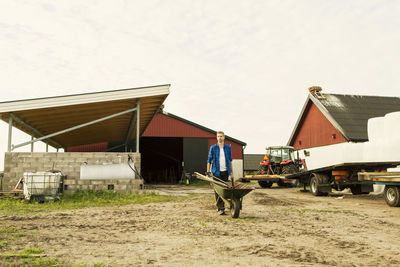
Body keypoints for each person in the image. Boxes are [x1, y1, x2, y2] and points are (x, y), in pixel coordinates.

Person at [206, 131, 234, 215]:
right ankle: (220, 208)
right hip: (216, 172)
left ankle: (222, 207)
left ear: (224, 137)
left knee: (224, 191)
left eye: (221, 136)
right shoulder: (213, 148)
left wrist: (232, 172)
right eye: (218, 136)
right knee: (218, 191)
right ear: (216, 137)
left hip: (225, 172)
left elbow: (230, 161)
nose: (220, 138)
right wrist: (208, 172)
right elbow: (209, 160)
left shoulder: (228, 148)